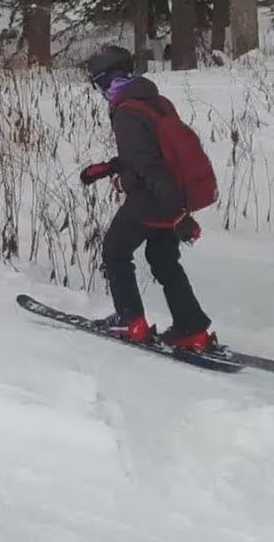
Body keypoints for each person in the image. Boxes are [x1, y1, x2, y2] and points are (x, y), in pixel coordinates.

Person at [79, 45, 214, 352]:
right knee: (164, 261)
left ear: (109, 79)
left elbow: (151, 167)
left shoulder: (126, 112)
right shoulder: (154, 102)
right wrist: (110, 168)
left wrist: (178, 216)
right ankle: (192, 328)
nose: (100, 90)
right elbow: (152, 154)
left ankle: (130, 321)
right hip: (169, 199)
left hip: (152, 201)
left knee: (115, 251)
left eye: (99, 83)